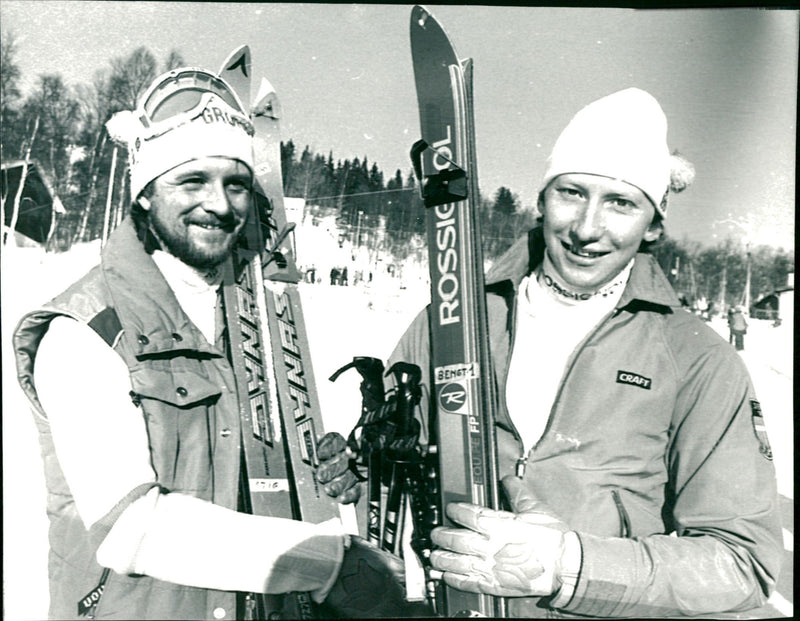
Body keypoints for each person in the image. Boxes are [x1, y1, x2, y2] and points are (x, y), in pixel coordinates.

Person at [318, 88, 782, 618]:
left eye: (621, 203)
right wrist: (365, 469)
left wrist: (568, 565)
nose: (587, 229)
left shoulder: (697, 358)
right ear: (540, 200)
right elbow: (409, 446)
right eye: (571, 193)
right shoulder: (454, 316)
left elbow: (742, 563)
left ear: (653, 225)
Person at [12, 60, 429, 620]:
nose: (220, 203)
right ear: (143, 194)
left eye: (236, 184)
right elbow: (132, 530)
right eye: (192, 180)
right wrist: (330, 562)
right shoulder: (83, 330)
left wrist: (320, 478)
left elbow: (252, 473)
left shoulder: (256, 318)